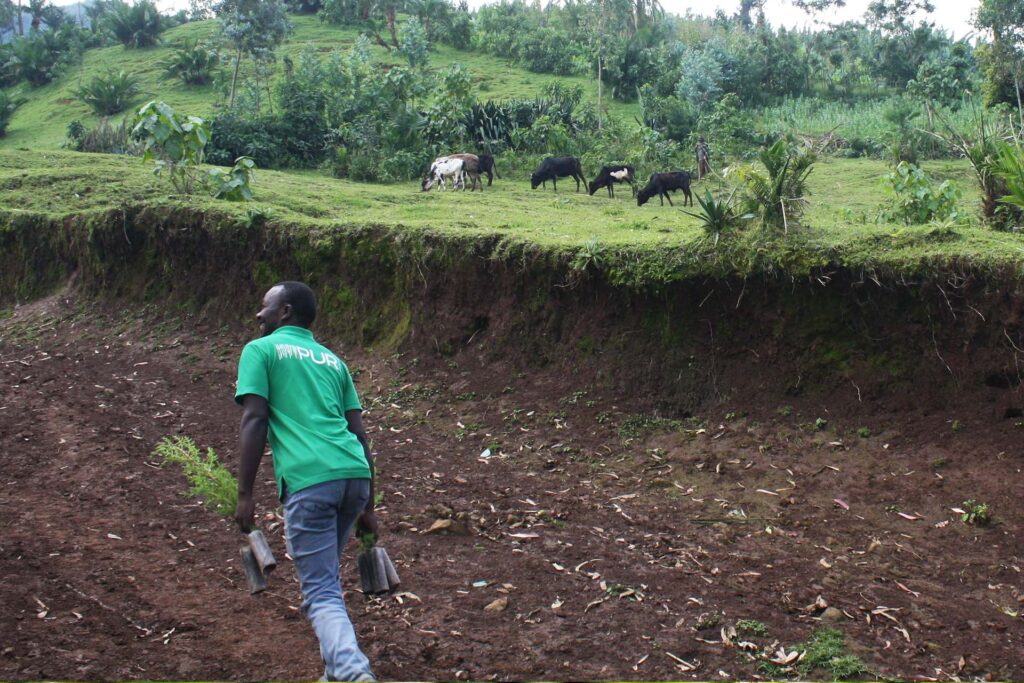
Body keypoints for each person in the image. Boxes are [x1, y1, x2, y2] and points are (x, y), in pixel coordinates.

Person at [234, 281, 377, 683]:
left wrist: (245, 495)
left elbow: (255, 419)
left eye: (265, 306)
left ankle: (353, 674)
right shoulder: (333, 361)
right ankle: (335, 674)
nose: (259, 314)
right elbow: (360, 434)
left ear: (285, 312)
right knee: (326, 579)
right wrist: (369, 508)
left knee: (320, 592)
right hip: (354, 475)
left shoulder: (260, 351)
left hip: (311, 481)